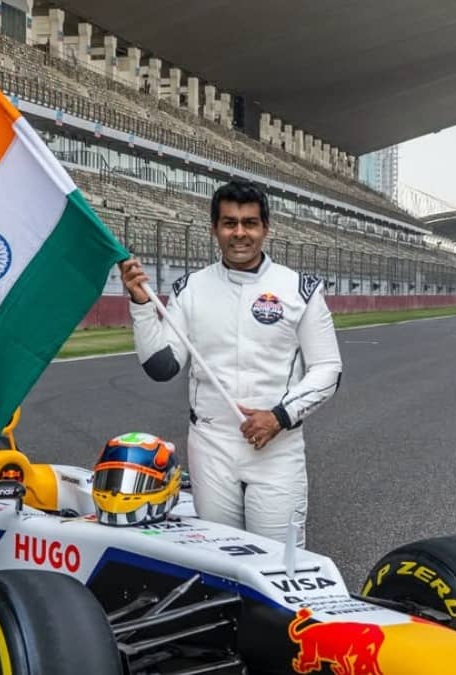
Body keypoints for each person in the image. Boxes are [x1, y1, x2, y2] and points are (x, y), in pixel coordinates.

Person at [118, 180, 342, 546]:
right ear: (214, 229)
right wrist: (141, 305)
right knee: (219, 561)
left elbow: (329, 370)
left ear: (265, 229)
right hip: (211, 445)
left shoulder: (300, 289)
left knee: (278, 563)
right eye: (229, 223)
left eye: (250, 223)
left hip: (276, 446)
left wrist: (279, 417)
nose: (240, 233)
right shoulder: (189, 288)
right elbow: (162, 367)